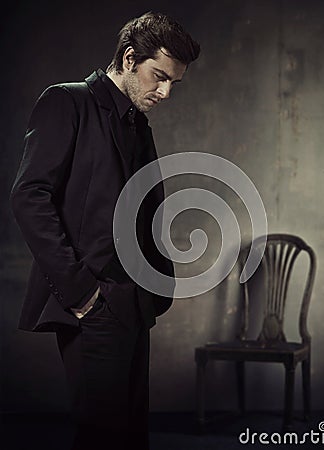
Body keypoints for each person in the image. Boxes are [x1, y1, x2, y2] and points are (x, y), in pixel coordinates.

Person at [10, 11, 200, 450]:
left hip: (135, 302)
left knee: (131, 434)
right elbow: (29, 196)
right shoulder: (66, 101)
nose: (166, 91)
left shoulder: (137, 120)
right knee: (103, 436)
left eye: (174, 82)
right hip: (91, 301)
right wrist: (81, 293)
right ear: (130, 58)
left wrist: (154, 288)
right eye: (159, 76)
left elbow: (145, 207)